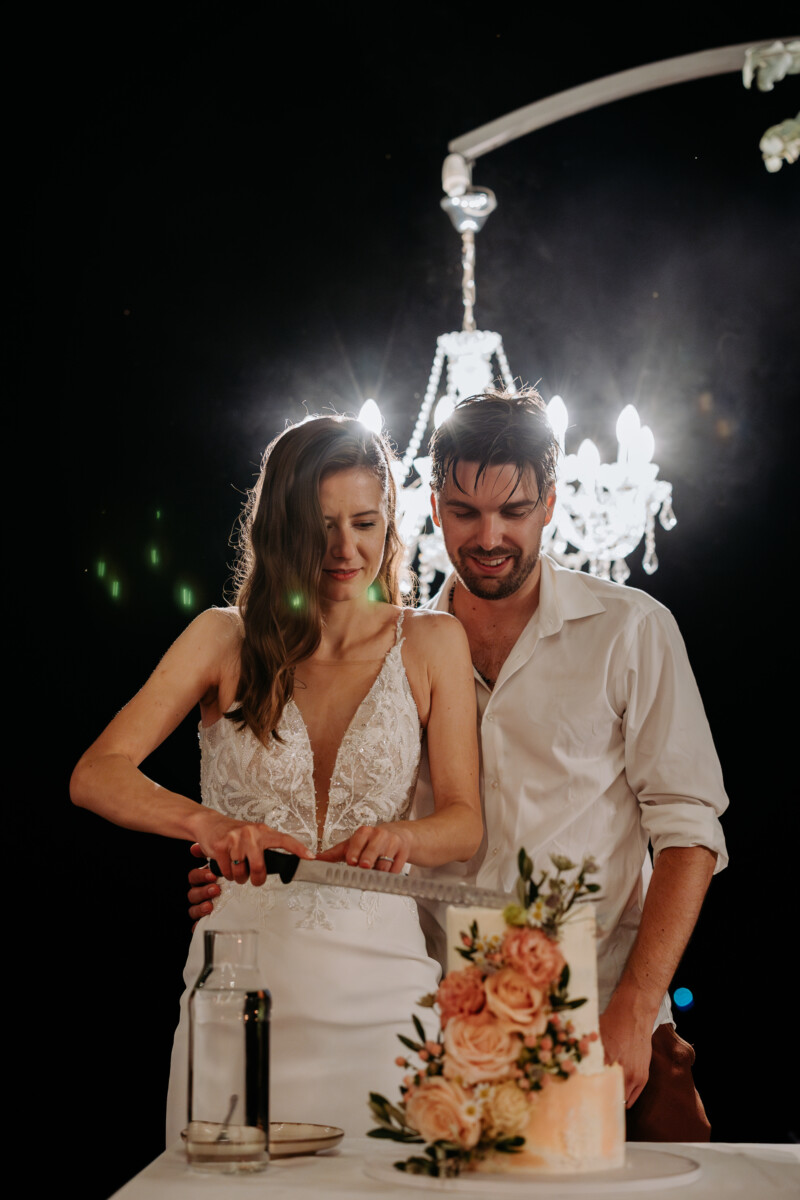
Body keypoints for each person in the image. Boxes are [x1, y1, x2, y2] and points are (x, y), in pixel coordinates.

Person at [187, 388, 730, 1142]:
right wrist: (243, 870)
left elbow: (690, 831)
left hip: (603, 1022)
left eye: (514, 509)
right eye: (467, 510)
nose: (490, 535)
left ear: (550, 503)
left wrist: (636, 1010)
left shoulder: (631, 630)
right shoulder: (397, 648)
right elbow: (323, 805)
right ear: (433, 505)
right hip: (437, 1036)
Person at [71, 415, 482, 1141]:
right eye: (319, 525)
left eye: (364, 522)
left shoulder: (431, 642)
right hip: (239, 990)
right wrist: (207, 825)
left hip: (387, 997)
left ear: (389, 522)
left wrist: (402, 835)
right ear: (279, 527)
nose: (344, 549)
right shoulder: (220, 638)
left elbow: (463, 820)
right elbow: (96, 774)